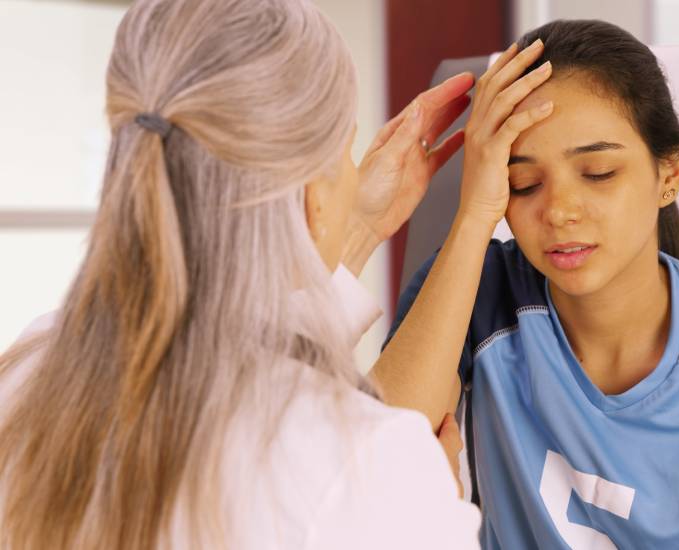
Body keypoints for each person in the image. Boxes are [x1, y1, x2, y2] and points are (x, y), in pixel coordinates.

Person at [0, 0, 482, 548]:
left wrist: (358, 228)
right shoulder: (366, 463)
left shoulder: (28, 371)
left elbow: (233, 344)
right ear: (314, 192)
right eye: (346, 152)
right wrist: (432, 503)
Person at [376, 20, 679, 550]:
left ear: (668, 173)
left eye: (598, 172)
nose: (559, 211)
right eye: (523, 183)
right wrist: (474, 215)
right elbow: (371, 469)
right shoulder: (474, 290)